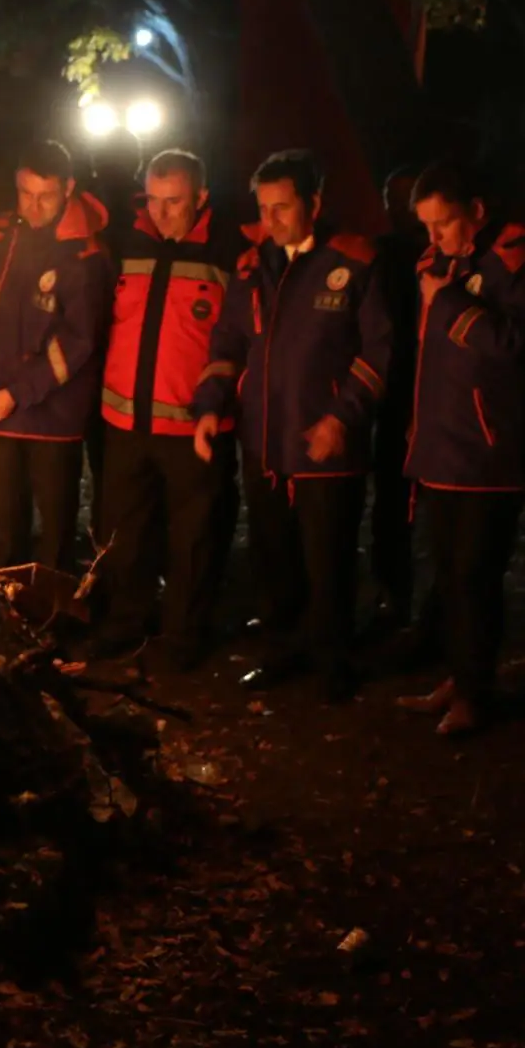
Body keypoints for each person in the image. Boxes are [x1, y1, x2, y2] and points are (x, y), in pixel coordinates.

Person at [193, 150, 392, 701]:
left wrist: (340, 418)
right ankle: (283, 650)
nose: (271, 220)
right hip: (264, 441)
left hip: (324, 445)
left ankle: (332, 662)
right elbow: (229, 342)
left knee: (327, 559)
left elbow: (379, 351)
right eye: (263, 208)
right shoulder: (253, 264)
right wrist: (210, 405)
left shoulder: (353, 261)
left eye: (282, 208)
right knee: (272, 554)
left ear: (315, 203)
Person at [395, 162, 525, 737]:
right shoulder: (440, 263)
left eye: (445, 223)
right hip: (442, 444)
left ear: (477, 212)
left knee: (477, 576)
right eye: (426, 226)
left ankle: (476, 693)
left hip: (488, 452)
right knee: (450, 575)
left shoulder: (515, 260)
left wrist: (451, 304)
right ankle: (459, 678)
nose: (434, 238)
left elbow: (513, 344)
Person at [92, 149, 232, 671]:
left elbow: (235, 338)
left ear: (201, 197)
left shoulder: (226, 251)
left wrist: (215, 405)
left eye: (175, 202)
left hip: (192, 428)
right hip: (125, 423)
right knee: (123, 535)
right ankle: (125, 626)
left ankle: (182, 639)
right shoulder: (126, 244)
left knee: (192, 540)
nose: (163, 213)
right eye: (153, 200)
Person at [0, 140, 113, 570]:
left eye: (45, 195)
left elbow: (78, 342)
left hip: (53, 418)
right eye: (26, 193)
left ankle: (54, 616)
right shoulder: (1, 231)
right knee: (6, 524)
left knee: (56, 531)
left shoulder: (86, 254)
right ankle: (8, 611)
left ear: (68, 188)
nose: (34, 205)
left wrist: (18, 392)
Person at [369, 165, 426, 635]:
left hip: (420, 386)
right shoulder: (380, 254)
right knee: (389, 494)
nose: (396, 207)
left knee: (411, 498)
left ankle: (413, 593)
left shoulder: (435, 256)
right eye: (391, 196)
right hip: (389, 387)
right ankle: (391, 585)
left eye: (405, 197)